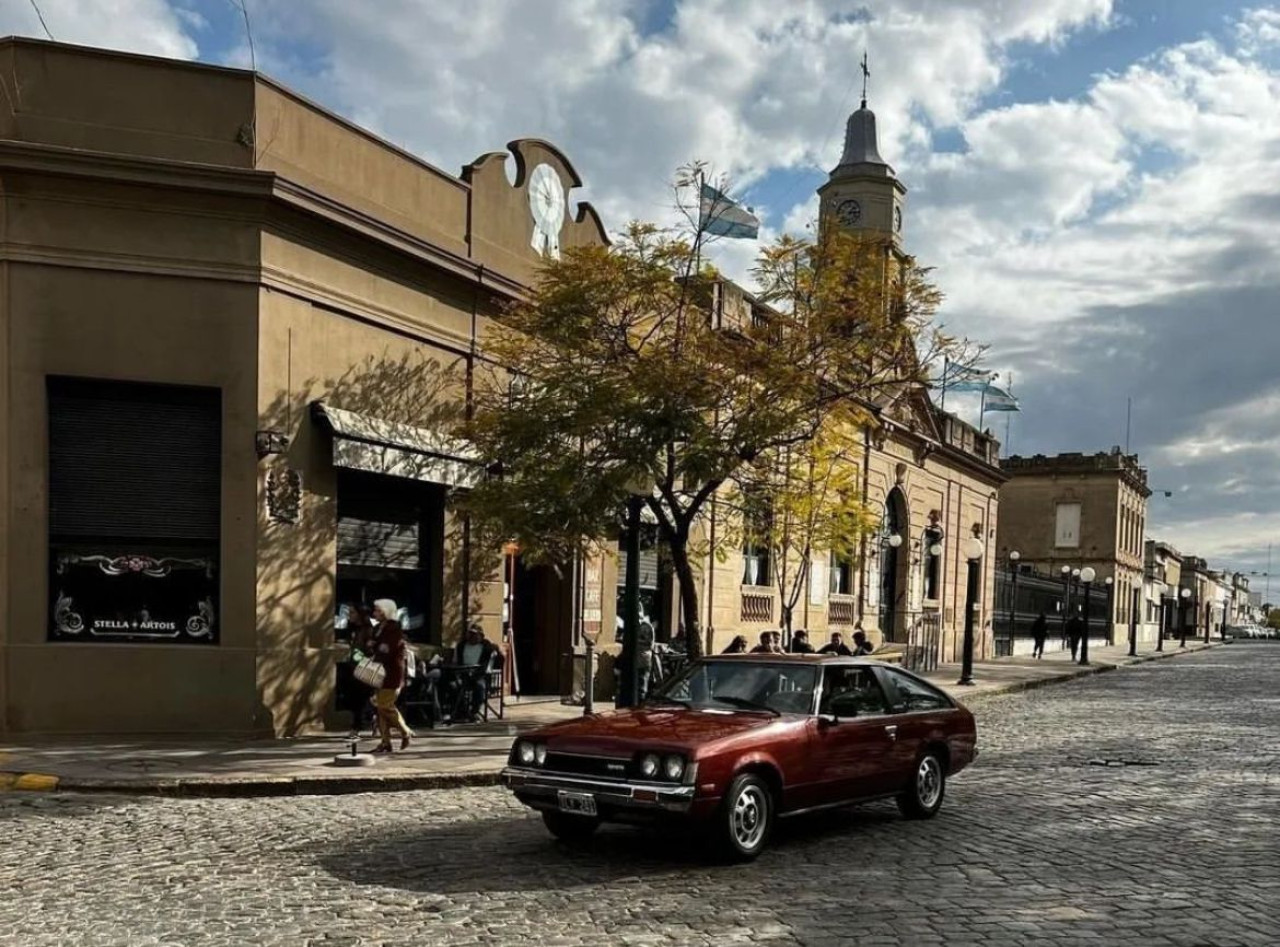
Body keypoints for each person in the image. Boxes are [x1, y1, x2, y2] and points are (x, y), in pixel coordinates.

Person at [370, 598, 414, 753]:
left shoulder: (394, 629)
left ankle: (405, 731)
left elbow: (387, 649)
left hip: (392, 673)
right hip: (378, 672)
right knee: (380, 708)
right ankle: (385, 742)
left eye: (378, 610)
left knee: (385, 705)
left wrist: (375, 647)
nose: (374, 613)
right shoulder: (378, 628)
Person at [452, 623, 499, 721]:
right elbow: (455, 662)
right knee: (453, 685)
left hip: (480, 675)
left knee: (479, 686)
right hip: (463, 674)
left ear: (481, 636)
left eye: (474, 634)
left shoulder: (487, 647)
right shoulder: (461, 646)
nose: (471, 636)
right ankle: (462, 712)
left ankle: (474, 711)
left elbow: (495, 661)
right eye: (470, 634)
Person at [343, 603, 377, 739]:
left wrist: (360, 656)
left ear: (360, 614)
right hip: (355, 667)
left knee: (360, 699)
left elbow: (369, 650)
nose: (349, 615)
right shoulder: (355, 630)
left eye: (352, 612)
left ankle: (357, 728)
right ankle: (373, 719)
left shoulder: (368, 630)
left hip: (364, 668)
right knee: (359, 699)